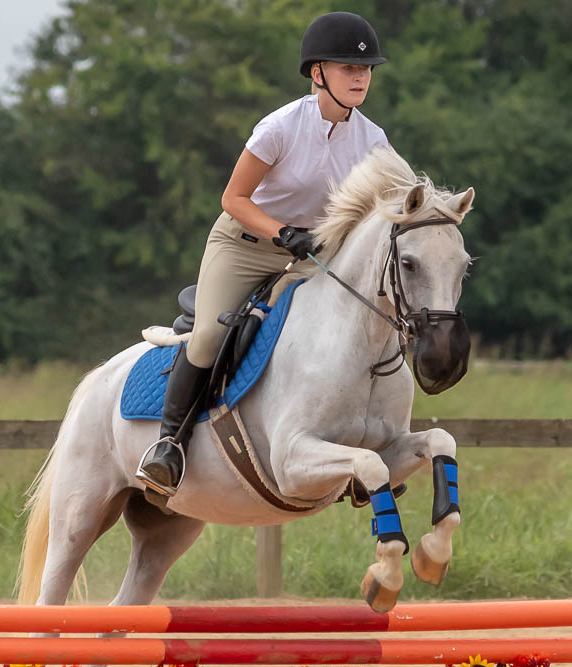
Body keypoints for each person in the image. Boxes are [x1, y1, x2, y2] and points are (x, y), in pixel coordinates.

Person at [136, 11, 392, 497]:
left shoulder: (372, 141)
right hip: (245, 245)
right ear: (318, 74)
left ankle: (360, 443)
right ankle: (168, 446)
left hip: (310, 255)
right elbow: (233, 199)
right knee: (211, 333)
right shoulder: (279, 127)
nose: (360, 77)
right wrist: (282, 232)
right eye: (347, 68)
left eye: (365, 69)